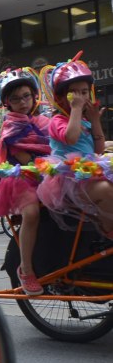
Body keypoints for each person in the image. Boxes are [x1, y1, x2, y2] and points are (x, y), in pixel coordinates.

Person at [0, 67, 51, 295]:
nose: (22, 102)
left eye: (26, 96)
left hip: (46, 175)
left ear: (33, 96)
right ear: (7, 103)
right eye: (15, 99)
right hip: (22, 179)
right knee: (31, 213)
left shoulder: (42, 122)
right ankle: (26, 269)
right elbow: (29, 160)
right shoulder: (11, 128)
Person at [36, 53, 113, 237]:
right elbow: (71, 138)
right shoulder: (57, 120)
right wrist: (77, 109)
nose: (80, 96)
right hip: (69, 180)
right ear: (61, 98)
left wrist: (94, 121)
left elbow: (99, 150)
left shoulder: (84, 121)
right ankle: (108, 230)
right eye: (74, 92)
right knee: (106, 191)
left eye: (84, 91)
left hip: (89, 172)